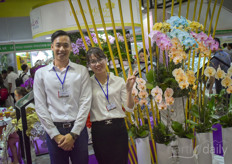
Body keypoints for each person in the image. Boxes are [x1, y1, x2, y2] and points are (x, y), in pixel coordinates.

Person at [33, 30, 92, 164]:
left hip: (78, 130)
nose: (62, 49)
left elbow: (85, 102)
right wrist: (56, 135)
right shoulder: (41, 74)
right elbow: (40, 106)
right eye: (58, 45)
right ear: (52, 47)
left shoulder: (81, 71)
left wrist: (73, 134)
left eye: (65, 45)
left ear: (70, 47)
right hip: (54, 130)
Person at [86, 47, 136, 164]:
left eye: (100, 59)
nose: (97, 64)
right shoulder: (87, 84)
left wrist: (129, 91)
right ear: (89, 65)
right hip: (99, 130)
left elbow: (129, 108)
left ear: (106, 59)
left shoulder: (118, 81)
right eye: (93, 62)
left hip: (118, 128)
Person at [8, 87, 28, 164]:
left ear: (20, 96)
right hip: (24, 129)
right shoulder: (23, 103)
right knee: (10, 139)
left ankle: (16, 160)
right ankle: (16, 159)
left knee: (8, 137)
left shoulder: (23, 104)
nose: (15, 97)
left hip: (27, 131)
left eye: (16, 95)